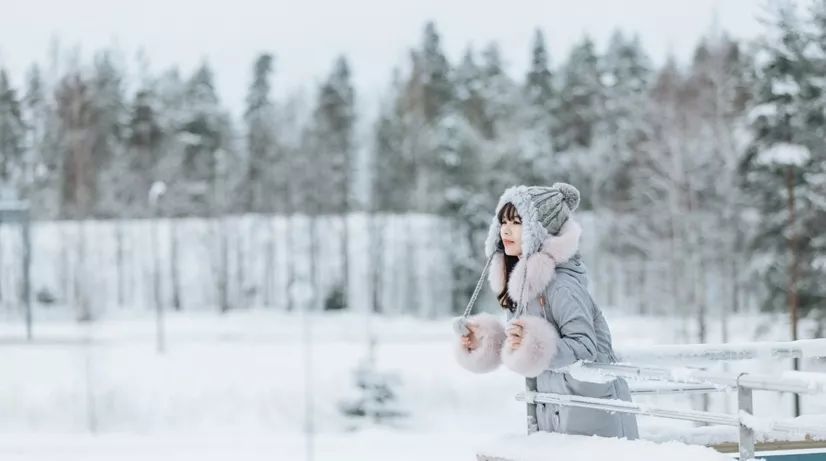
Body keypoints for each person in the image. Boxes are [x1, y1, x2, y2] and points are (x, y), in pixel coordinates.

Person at [453, 183, 638, 439]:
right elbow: (526, 343)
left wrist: (531, 345)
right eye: (503, 221)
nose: (505, 229)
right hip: (556, 417)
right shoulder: (525, 288)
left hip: (592, 419)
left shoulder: (561, 285)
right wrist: (485, 341)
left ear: (540, 230)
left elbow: (585, 347)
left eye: (517, 222)